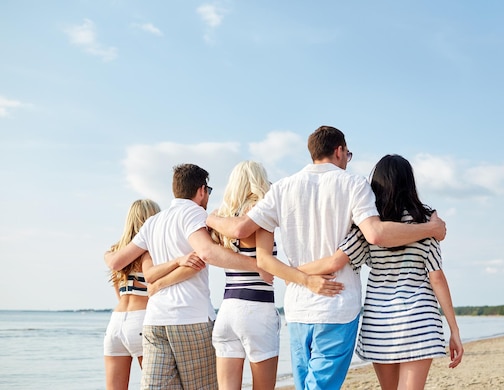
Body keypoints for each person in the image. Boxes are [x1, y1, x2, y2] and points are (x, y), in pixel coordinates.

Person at [206, 126, 447, 390]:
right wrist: (430, 229)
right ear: (339, 150)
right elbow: (376, 234)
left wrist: (209, 218)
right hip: (337, 307)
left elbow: (249, 241)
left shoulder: (283, 187)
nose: (347, 160)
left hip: (297, 309)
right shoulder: (354, 184)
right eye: (348, 154)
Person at [104, 163, 279, 389]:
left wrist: (109, 254)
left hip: (154, 323)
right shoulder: (195, 213)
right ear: (201, 190)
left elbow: (117, 261)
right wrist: (258, 265)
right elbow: (207, 253)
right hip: (191, 318)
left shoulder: (153, 222)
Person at [302, 154, 463, 390]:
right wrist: (454, 329)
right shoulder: (427, 220)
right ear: (410, 182)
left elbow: (336, 262)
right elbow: (436, 276)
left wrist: (294, 272)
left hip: (380, 323)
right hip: (419, 320)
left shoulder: (367, 224)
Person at [210, 161, 281, 390]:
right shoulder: (260, 211)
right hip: (256, 309)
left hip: (227, 310)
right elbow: (265, 260)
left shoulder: (222, 218)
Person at [103, 199, 160, 390]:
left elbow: (118, 292)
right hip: (142, 320)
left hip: (116, 323)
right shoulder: (152, 250)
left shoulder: (116, 252)